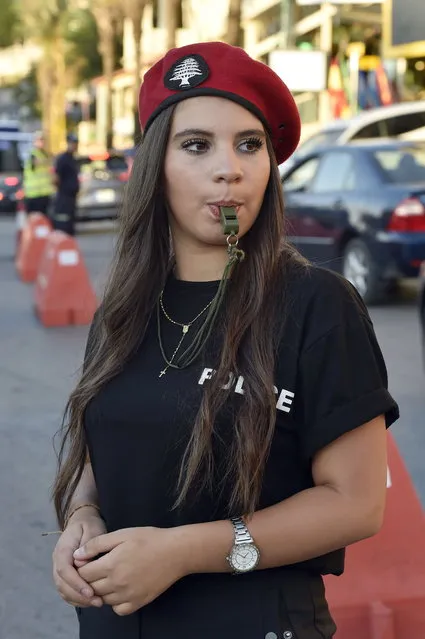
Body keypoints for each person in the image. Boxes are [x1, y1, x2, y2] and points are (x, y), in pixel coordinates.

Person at [51, 42, 399, 639]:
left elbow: (355, 503)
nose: (229, 168)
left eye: (249, 144)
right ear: (155, 166)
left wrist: (183, 551)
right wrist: (81, 514)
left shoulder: (316, 304)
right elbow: (99, 446)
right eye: (196, 145)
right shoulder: (123, 311)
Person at [52, 133, 80, 236]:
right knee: (63, 223)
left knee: (70, 224)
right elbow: (56, 178)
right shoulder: (62, 159)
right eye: (73, 143)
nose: (75, 146)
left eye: (76, 143)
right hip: (64, 197)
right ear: (68, 143)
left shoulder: (73, 159)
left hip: (71, 198)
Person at [23, 132, 54, 217]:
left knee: (44, 220)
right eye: (39, 140)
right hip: (33, 195)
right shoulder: (32, 154)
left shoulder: (45, 154)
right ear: (34, 142)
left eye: (43, 140)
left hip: (44, 194)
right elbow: (37, 162)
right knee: (34, 220)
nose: (41, 142)